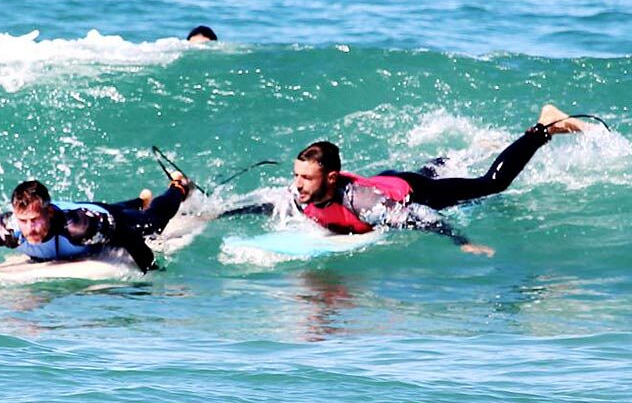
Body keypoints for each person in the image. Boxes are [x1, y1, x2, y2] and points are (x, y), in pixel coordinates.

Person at [226, 104, 588, 256]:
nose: (298, 184)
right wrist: (212, 215)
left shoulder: (366, 206)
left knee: (491, 184)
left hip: (411, 192)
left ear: (331, 177)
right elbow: (262, 205)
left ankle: (545, 127)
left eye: (306, 177)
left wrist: (461, 241)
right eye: (296, 176)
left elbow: (419, 216)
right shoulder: (300, 193)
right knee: (419, 171)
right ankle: (456, 154)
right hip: (385, 181)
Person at [0, 176, 192, 277]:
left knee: (151, 222)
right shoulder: (7, 228)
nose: (30, 229)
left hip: (104, 216)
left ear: (48, 213)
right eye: (24, 221)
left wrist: (151, 272)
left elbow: (128, 238)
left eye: (35, 220)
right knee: (127, 210)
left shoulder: (82, 227)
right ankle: (138, 199)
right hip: (94, 213)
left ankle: (177, 189)